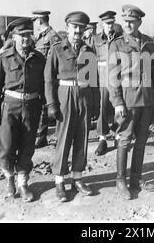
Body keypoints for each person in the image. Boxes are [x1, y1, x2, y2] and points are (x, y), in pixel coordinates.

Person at [44, 11, 100, 202]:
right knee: (64, 138)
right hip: (65, 97)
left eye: (81, 27)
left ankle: (78, 178)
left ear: (85, 29)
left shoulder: (89, 51)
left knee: (82, 137)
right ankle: (59, 181)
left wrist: (95, 105)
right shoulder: (57, 49)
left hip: (84, 96)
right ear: (67, 27)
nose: (77, 30)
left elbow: (94, 81)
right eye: (74, 26)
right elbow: (49, 79)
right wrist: (51, 104)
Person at [0, 17, 46, 202]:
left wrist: (46, 108)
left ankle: (22, 183)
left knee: (27, 146)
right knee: (6, 148)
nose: (25, 39)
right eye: (21, 35)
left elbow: (44, 86)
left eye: (28, 35)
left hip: (31, 107)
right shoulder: (4, 57)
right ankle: (9, 180)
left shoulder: (39, 58)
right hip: (10, 107)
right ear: (13, 37)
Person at [108, 4, 154, 200]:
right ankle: (120, 181)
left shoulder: (149, 43)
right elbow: (112, 77)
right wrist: (117, 102)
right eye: (126, 21)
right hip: (128, 100)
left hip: (147, 99)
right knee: (124, 139)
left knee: (141, 141)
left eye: (132, 21)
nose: (128, 24)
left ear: (139, 22)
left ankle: (136, 179)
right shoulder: (117, 44)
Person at [92, 11, 122, 156]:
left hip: (118, 76)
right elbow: (90, 59)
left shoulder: (120, 38)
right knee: (102, 108)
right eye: (107, 23)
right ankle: (102, 138)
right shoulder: (95, 40)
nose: (110, 26)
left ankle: (118, 134)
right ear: (101, 24)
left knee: (119, 105)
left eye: (111, 23)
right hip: (102, 78)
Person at [32, 10, 62, 148]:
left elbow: (58, 57)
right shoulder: (39, 36)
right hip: (41, 76)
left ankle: (58, 136)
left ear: (39, 20)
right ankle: (42, 136)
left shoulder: (52, 36)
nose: (35, 24)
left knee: (54, 106)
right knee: (43, 107)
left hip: (51, 77)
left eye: (35, 21)